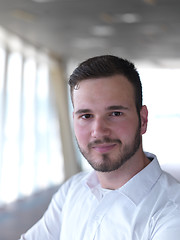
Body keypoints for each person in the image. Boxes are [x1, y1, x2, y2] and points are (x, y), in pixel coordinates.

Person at [19, 55, 180, 240]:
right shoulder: (73, 190)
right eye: (86, 116)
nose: (99, 131)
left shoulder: (171, 212)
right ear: (74, 120)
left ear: (142, 120)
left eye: (115, 113)